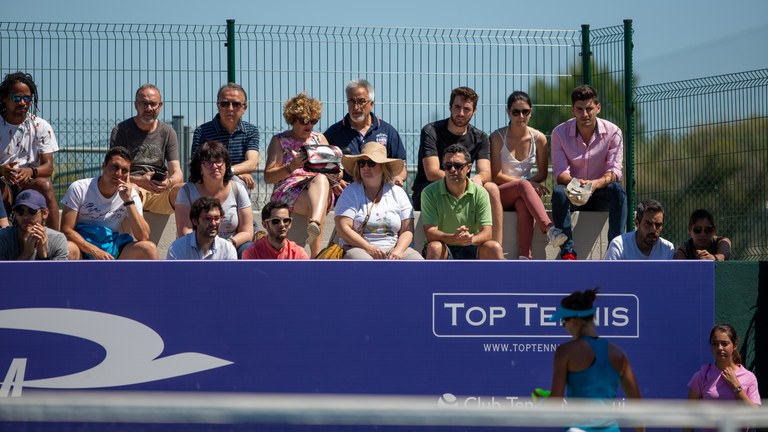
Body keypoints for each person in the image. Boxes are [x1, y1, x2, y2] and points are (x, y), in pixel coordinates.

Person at [411, 86, 504, 244]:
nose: (461, 113)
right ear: (450, 107)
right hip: (431, 190)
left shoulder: (480, 137)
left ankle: (495, 248)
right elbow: (432, 172)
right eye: (457, 107)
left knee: (492, 188)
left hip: (463, 191)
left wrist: (472, 182)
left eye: (466, 109)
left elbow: (485, 173)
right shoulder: (431, 131)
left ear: (474, 111)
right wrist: (460, 180)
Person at [549, 288, 643, 432]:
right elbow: (638, 405)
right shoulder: (619, 355)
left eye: (563, 321)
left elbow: (554, 403)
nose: (563, 327)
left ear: (574, 321)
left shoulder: (565, 351)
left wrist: (542, 402)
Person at [551, 85, 627, 260]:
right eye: (579, 109)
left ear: (598, 108)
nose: (585, 114)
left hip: (600, 191)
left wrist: (593, 185)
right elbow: (560, 173)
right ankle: (568, 252)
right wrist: (578, 184)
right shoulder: (559, 133)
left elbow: (615, 172)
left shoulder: (614, 132)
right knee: (558, 193)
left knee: (618, 191)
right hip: (573, 191)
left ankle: (613, 251)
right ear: (572, 110)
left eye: (589, 109)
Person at [263, 92, 342, 258]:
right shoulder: (280, 141)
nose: (309, 126)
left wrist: (336, 180)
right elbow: (268, 177)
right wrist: (291, 167)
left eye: (313, 121)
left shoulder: (319, 138)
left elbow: (336, 171)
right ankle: (317, 254)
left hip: (317, 190)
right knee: (320, 186)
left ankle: (314, 225)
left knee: (321, 179)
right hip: (289, 191)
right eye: (304, 121)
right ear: (292, 120)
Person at [490, 91, 567, 259]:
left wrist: (527, 186)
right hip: (500, 194)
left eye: (525, 111)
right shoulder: (497, 137)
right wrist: (526, 185)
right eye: (515, 112)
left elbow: (542, 174)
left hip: (524, 194)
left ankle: (525, 257)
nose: (521, 116)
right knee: (523, 185)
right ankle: (549, 228)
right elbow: (495, 176)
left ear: (531, 112)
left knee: (523, 203)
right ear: (508, 112)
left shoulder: (539, 138)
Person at [60, 147, 158, 260]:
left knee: (149, 248)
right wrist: (94, 250)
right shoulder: (80, 188)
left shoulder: (130, 195)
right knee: (68, 248)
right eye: (115, 167)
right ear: (104, 166)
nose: (119, 174)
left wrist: (128, 201)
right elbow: (66, 230)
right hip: (82, 247)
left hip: (113, 249)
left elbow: (143, 236)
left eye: (124, 170)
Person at [334, 142, 422, 260]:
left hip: (393, 247)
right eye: (362, 163)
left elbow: (407, 230)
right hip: (358, 248)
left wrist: (398, 251)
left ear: (383, 167)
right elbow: (343, 229)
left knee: (417, 262)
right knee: (365, 262)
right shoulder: (350, 192)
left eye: (371, 163)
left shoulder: (398, 193)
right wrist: (369, 248)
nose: (365, 167)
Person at [420, 144, 504, 260]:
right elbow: (430, 233)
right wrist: (453, 238)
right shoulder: (429, 192)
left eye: (458, 166)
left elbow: (487, 233)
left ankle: (502, 279)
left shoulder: (480, 192)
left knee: (494, 248)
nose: (452, 170)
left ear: (469, 167)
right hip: (444, 247)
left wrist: (470, 239)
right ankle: (432, 279)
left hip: (472, 245)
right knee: (435, 247)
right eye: (447, 166)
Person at [110, 83, 183, 214]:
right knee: (130, 190)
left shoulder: (168, 132)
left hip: (160, 191)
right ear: (136, 105)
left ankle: (187, 234)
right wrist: (140, 181)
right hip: (133, 187)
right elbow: (114, 173)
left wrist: (168, 182)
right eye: (144, 103)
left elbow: (177, 172)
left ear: (160, 106)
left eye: (153, 104)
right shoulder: (121, 130)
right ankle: (133, 234)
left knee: (185, 191)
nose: (149, 108)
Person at [0, 71, 60, 229]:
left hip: (28, 183)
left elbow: (48, 167)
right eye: (16, 98)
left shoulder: (40, 125)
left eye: (27, 98)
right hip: (2, 182)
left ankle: (55, 240)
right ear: (5, 98)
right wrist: (2, 171)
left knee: (45, 185)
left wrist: (30, 172)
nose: (22, 103)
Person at [175, 140, 254, 257]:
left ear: (226, 165)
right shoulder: (186, 191)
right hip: (197, 248)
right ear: (200, 168)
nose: (214, 166)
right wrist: (207, 248)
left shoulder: (238, 189)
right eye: (208, 163)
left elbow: (247, 231)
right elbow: (185, 232)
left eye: (219, 161)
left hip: (231, 246)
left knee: (249, 248)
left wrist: (227, 244)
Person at [324, 79, 408, 186]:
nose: (356, 107)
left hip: (380, 193)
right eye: (351, 101)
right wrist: (335, 182)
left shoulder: (388, 131)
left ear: (371, 104)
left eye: (361, 101)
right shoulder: (333, 133)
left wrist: (398, 178)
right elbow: (322, 167)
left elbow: (401, 166)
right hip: (345, 194)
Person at [191, 82, 259, 190]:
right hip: (207, 182)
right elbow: (196, 165)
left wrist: (230, 171)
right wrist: (236, 172)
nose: (230, 108)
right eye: (224, 104)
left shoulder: (250, 131)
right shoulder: (202, 131)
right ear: (217, 105)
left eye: (236, 104)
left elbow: (252, 163)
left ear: (244, 107)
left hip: (235, 182)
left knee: (238, 184)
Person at [687, 324, 761, 409]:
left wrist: (736, 386)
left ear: (735, 345)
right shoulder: (701, 376)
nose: (719, 348)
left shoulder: (749, 377)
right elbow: (689, 415)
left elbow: (755, 412)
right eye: (715, 344)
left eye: (724, 343)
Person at [0, 189, 68, 260]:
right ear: (15, 215)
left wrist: (44, 256)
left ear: (45, 213)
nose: (25, 217)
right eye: (20, 211)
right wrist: (26, 254)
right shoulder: (3, 238)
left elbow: (57, 271)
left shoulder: (57, 240)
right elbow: (4, 271)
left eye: (32, 211)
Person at [167, 197, 237, 260]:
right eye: (207, 219)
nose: (213, 223)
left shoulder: (228, 249)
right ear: (195, 221)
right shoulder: (177, 248)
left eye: (217, 218)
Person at [604, 199, 674, 260]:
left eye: (658, 224)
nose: (653, 230)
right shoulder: (619, 246)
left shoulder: (667, 249)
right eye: (648, 224)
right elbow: (610, 275)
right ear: (637, 223)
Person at [242, 201, 309, 260]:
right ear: (265, 225)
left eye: (286, 220)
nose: (282, 225)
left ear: (290, 223)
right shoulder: (252, 253)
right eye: (276, 221)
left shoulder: (299, 254)